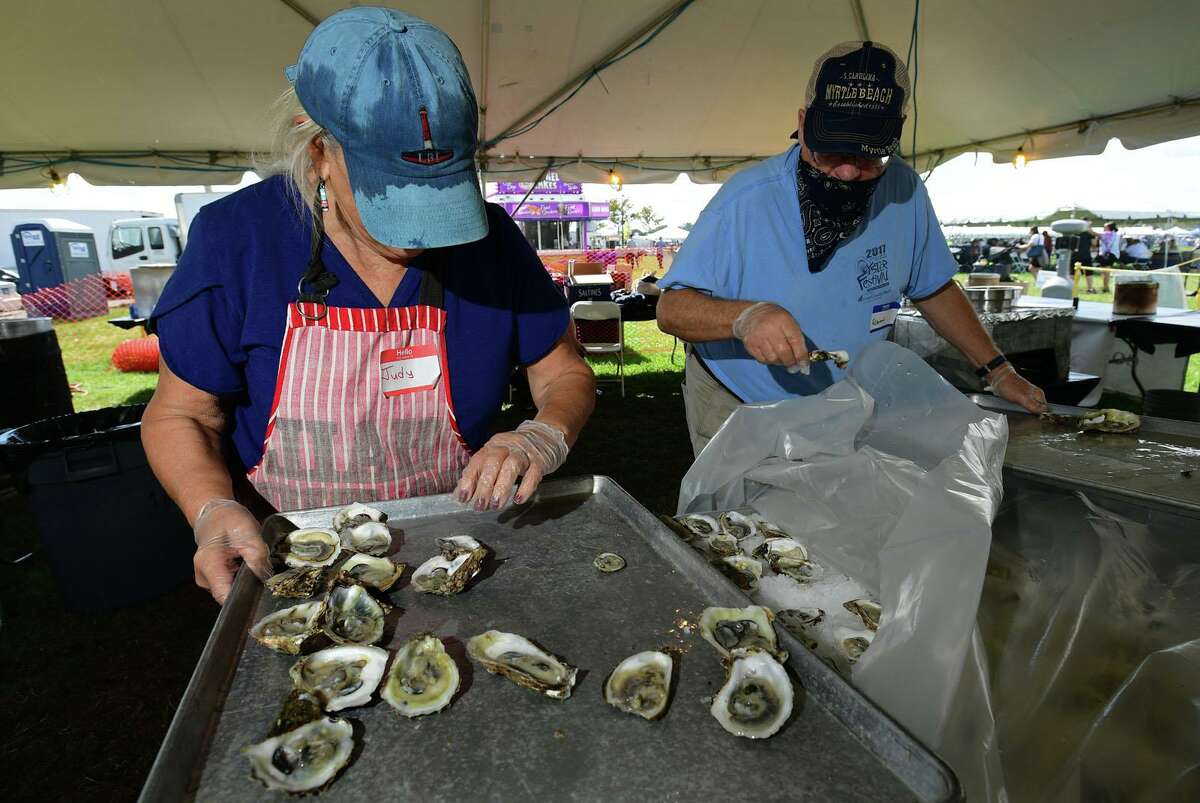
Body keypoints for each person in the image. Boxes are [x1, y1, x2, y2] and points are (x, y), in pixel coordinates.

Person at [141, 7, 595, 604]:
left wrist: (542, 433)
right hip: (296, 552)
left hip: (457, 539)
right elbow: (181, 416)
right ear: (318, 151)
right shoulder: (238, 241)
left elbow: (563, 372)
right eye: (391, 197)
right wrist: (211, 508)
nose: (417, 236)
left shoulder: (493, 244)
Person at [655, 41, 1047, 455]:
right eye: (834, 148)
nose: (846, 171)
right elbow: (672, 308)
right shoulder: (746, 199)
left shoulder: (904, 191)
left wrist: (997, 370)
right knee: (747, 518)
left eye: (868, 156)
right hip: (739, 403)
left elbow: (932, 286)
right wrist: (745, 318)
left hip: (844, 403)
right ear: (804, 124)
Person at [1090, 221, 1120, 292]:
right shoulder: (1115, 234)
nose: (1103, 228)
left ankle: (1106, 288)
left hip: (1108, 255)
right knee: (1104, 271)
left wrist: (1088, 226)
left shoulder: (1108, 234)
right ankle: (1105, 287)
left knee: (1106, 272)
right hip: (1113, 255)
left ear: (1109, 228)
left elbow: (1094, 233)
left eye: (1105, 227)